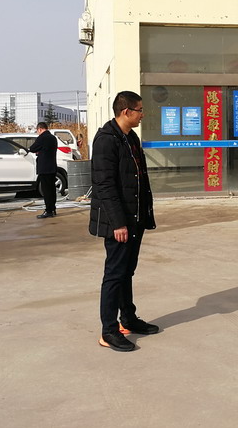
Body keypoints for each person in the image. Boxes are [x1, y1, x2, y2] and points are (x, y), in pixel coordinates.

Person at [89, 91, 157, 351]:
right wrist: (118, 223)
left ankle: (128, 318)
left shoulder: (130, 137)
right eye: (139, 110)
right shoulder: (106, 140)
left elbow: (138, 179)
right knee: (114, 274)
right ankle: (109, 330)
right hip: (118, 222)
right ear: (126, 111)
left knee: (127, 271)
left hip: (134, 218)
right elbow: (104, 185)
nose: (142, 114)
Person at [28, 122, 58, 219]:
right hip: (52, 166)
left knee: (46, 190)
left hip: (44, 168)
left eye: (37, 131)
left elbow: (32, 148)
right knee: (52, 189)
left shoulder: (41, 138)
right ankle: (52, 208)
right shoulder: (53, 138)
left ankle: (48, 210)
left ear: (40, 129)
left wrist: (37, 151)